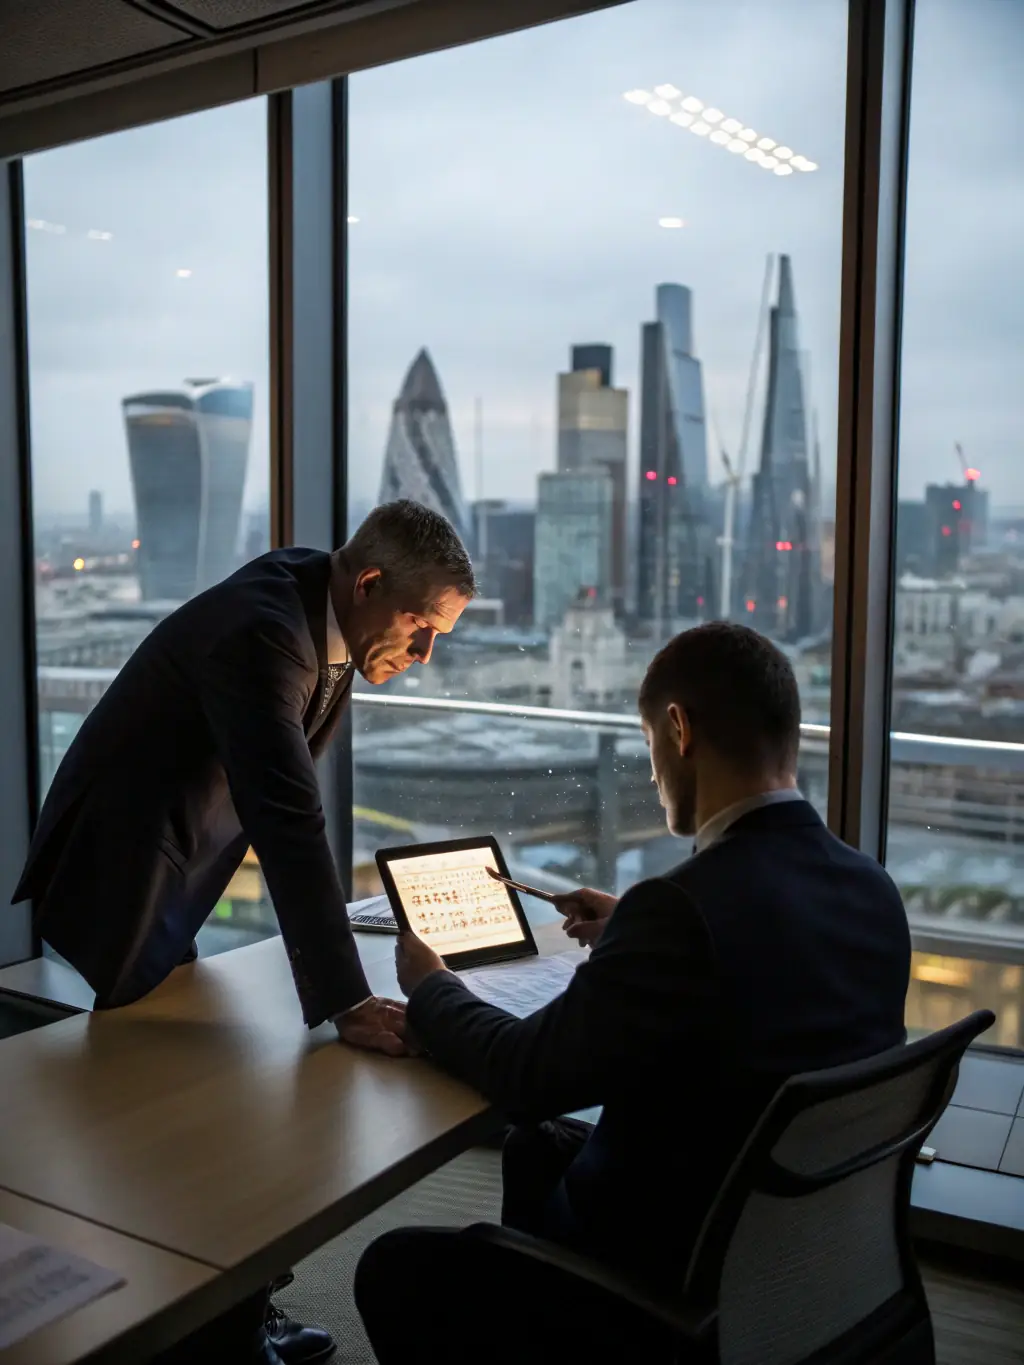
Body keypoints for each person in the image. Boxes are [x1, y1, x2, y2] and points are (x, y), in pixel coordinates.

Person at [355, 622, 912, 1364]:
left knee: (392, 1265)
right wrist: (633, 927)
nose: (652, 771)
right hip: (793, 1251)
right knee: (535, 1150)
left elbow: (526, 1076)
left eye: (650, 743)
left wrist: (432, 987)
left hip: (673, 1278)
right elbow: (767, 981)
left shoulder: (682, 909)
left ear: (677, 729)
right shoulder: (871, 887)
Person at [13, 499, 474, 1365]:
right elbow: (288, 816)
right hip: (127, 865)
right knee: (157, 1104)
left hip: (180, 859)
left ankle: (229, 1312)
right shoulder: (268, 632)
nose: (423, 654)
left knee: (191, 1097)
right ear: (369, 582)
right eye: (420, 627)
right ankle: (200, 1329)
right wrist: (343, 996)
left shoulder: (319, 597)